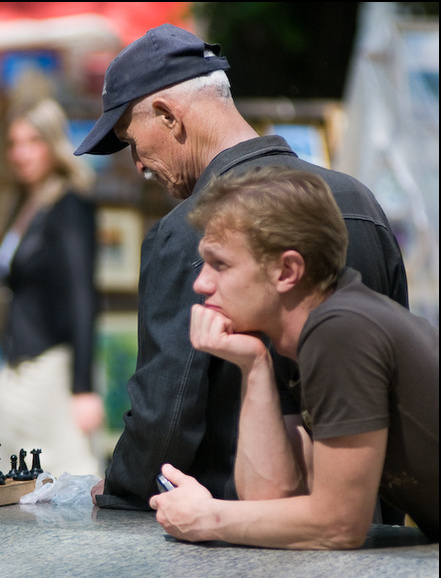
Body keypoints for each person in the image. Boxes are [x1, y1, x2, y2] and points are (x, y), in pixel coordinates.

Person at [74, 24, 409, 513]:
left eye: (131, 140)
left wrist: (125, 488)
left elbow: (166, 414)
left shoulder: (189, 230)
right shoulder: (357, 199)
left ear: (168, 116)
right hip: (366, 522)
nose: (138, 165)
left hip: (244, 532)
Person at [150, 166, 438, 548]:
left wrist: (208, 518)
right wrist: (254, 366)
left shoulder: (340, 330)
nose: (200, 283)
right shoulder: (302, 335)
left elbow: (338, 524)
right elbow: (273, 499)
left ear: (287, 271)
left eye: (220, 264)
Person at [0, 97, 104, 477]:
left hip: (51, 366)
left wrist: (83, 388)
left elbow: (84, 296)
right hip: (13, 363)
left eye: (33, 141)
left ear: (53, 144)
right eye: (14, 143)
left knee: (68, 478)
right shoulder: (22, 203)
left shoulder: (70, 206)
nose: (22, 153)